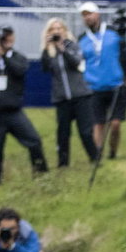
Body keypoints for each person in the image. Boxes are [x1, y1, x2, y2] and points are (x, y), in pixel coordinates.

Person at [0, 26, 48, 186]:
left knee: (34, 141)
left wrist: (3, 55)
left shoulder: (18, 57)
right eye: (2, 38)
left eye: (6, 38)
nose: (4, 41)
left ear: (12, 39)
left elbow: (19, 71)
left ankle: (42, 176)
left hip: (13, 111)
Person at [39, 19, 98, 169]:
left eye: (59, 28)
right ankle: (63, 164)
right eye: (53, 29)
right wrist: (48, 48)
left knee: (85, 131)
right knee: (63, 133)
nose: (57, 31)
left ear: (65, 30)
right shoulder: (49, 51)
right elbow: (45, 68)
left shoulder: (73, 45)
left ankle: (95, 159)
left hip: (81, 95)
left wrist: (62, 48)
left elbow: (77, 62)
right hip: (62, 98)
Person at [79, 2, 126, 161]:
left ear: (97, 14)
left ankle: (112, 152)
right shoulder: (82, 39)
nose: (88, 17)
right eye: (84, 15)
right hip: (94, 87)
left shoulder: (113, 33)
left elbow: (125, 53)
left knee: (115, 123)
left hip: (116, 84)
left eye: (89, 13)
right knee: (98, 123)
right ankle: (97, 156)